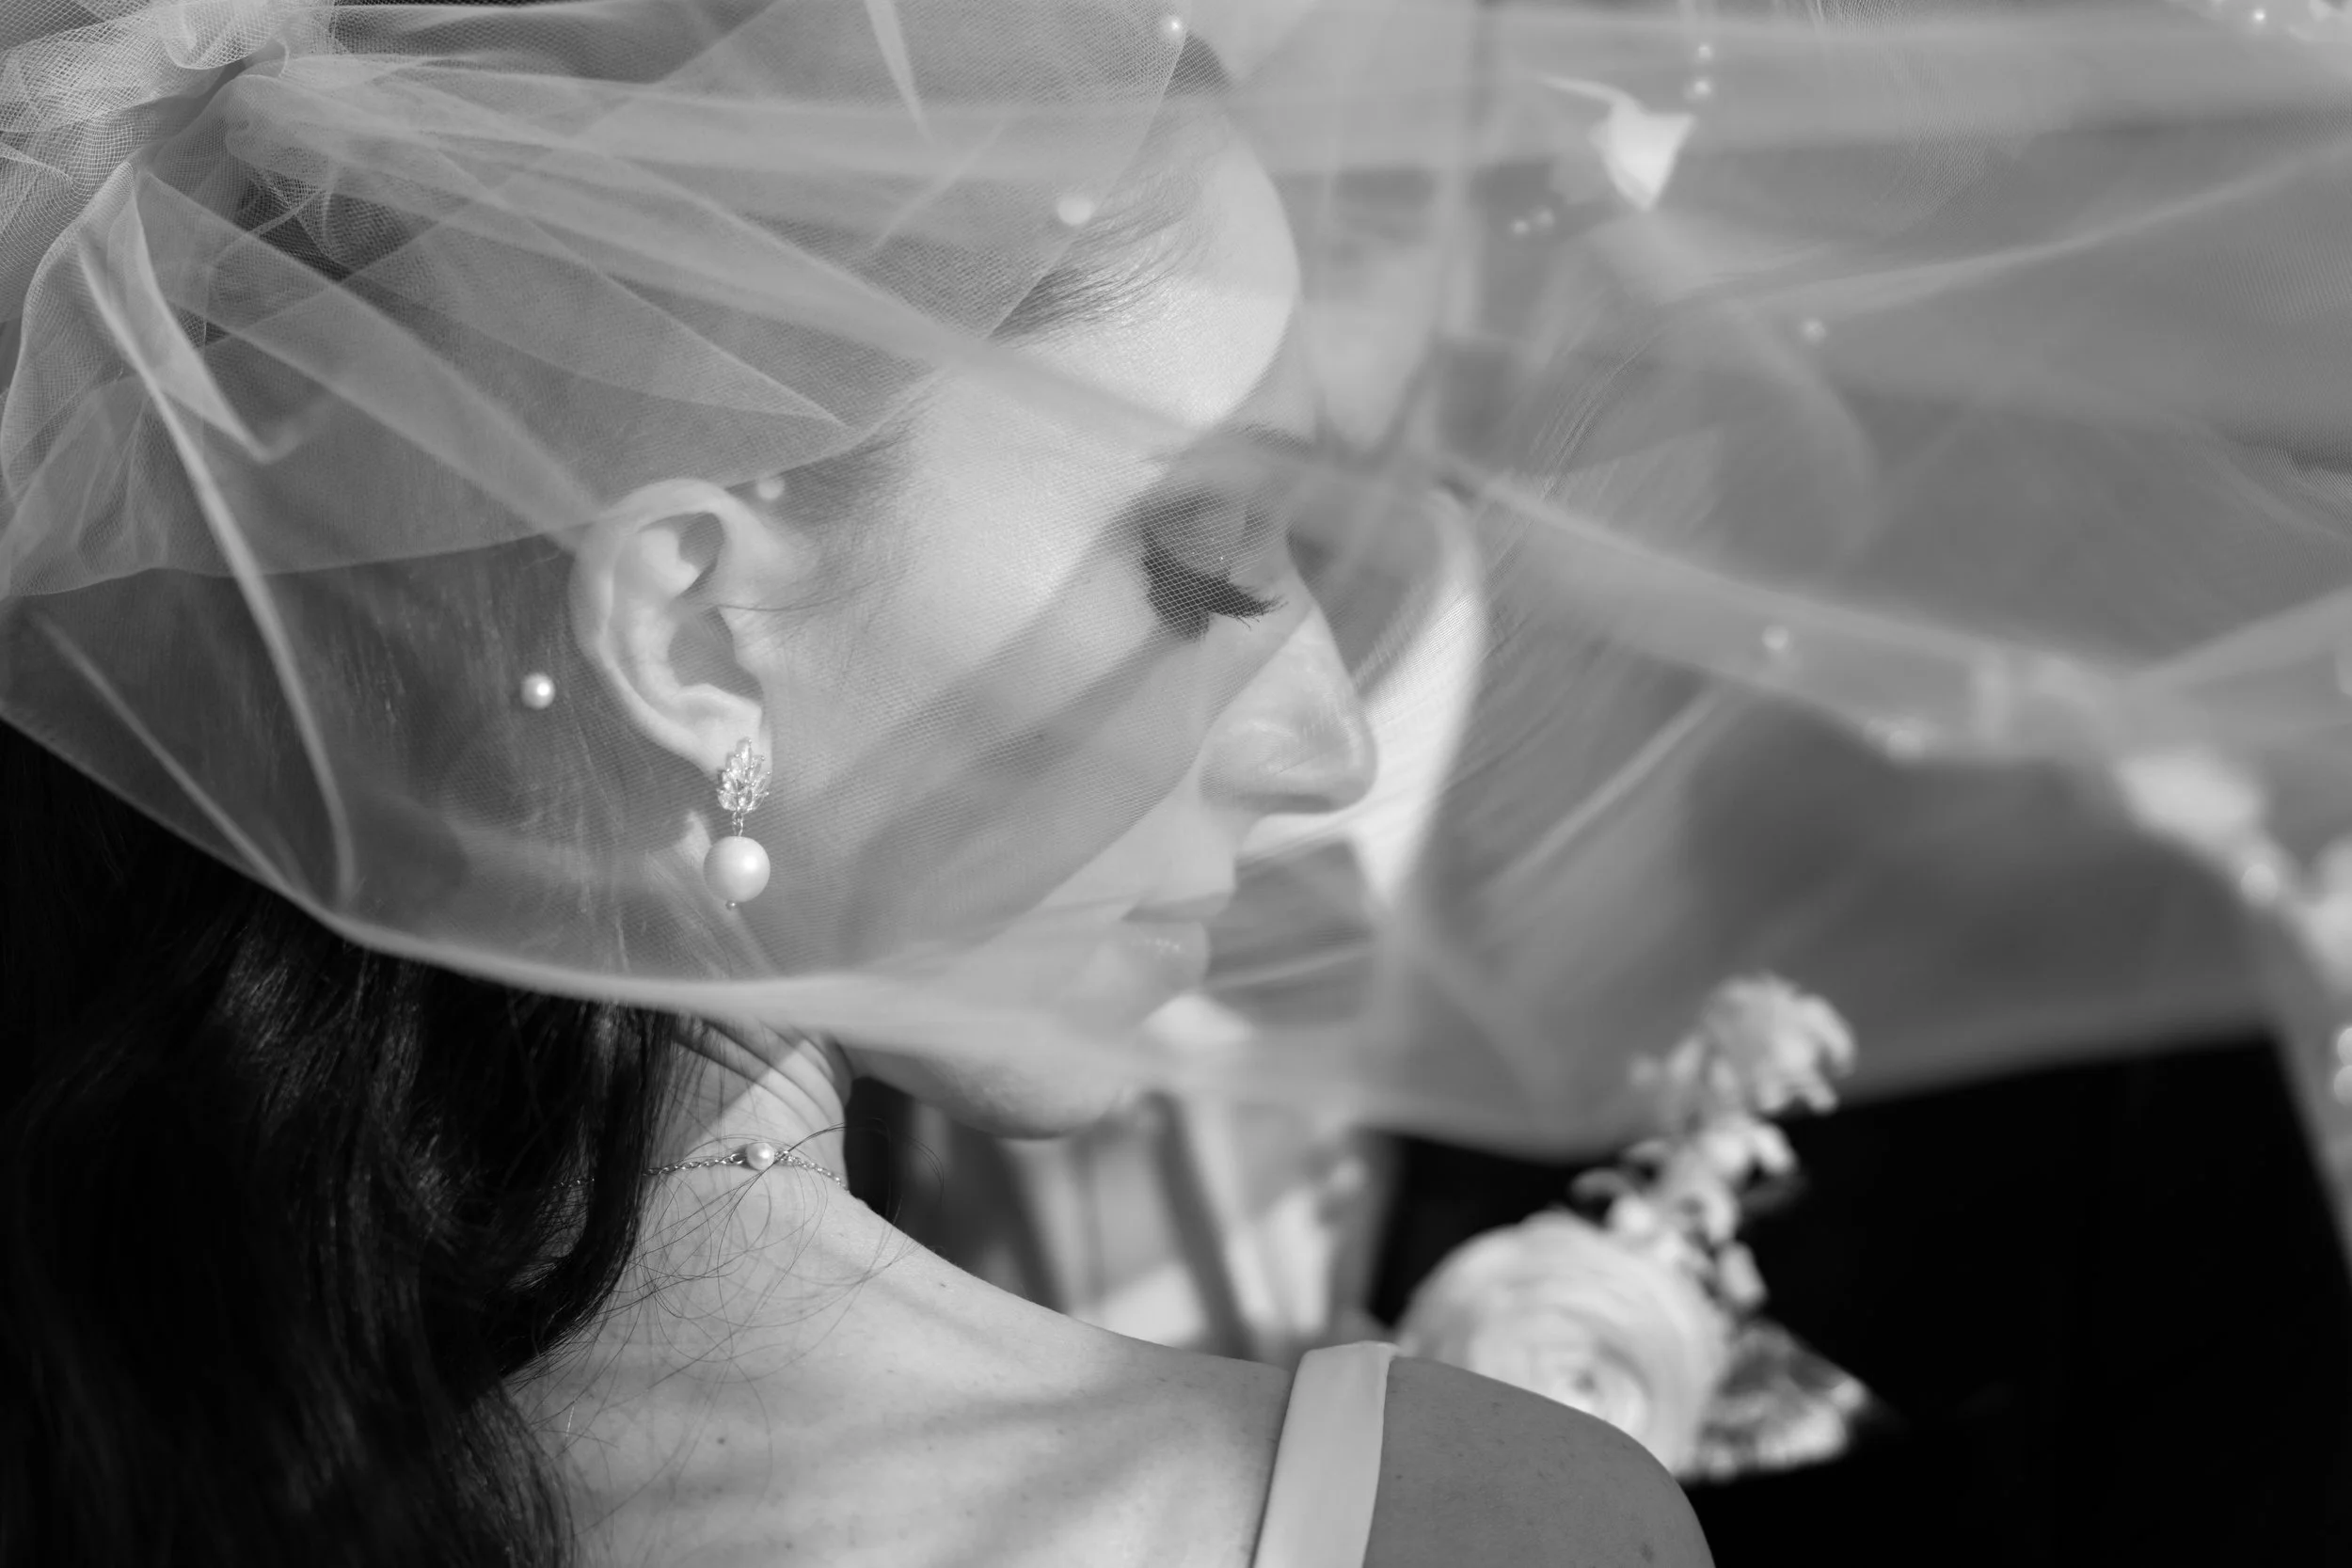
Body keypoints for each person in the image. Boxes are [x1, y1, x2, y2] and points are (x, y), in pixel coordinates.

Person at [0, 1, 1710, 1563]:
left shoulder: (99, 1410)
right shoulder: (1461, 1525)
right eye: (1202, 561)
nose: (1324, 741)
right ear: (687, 626)